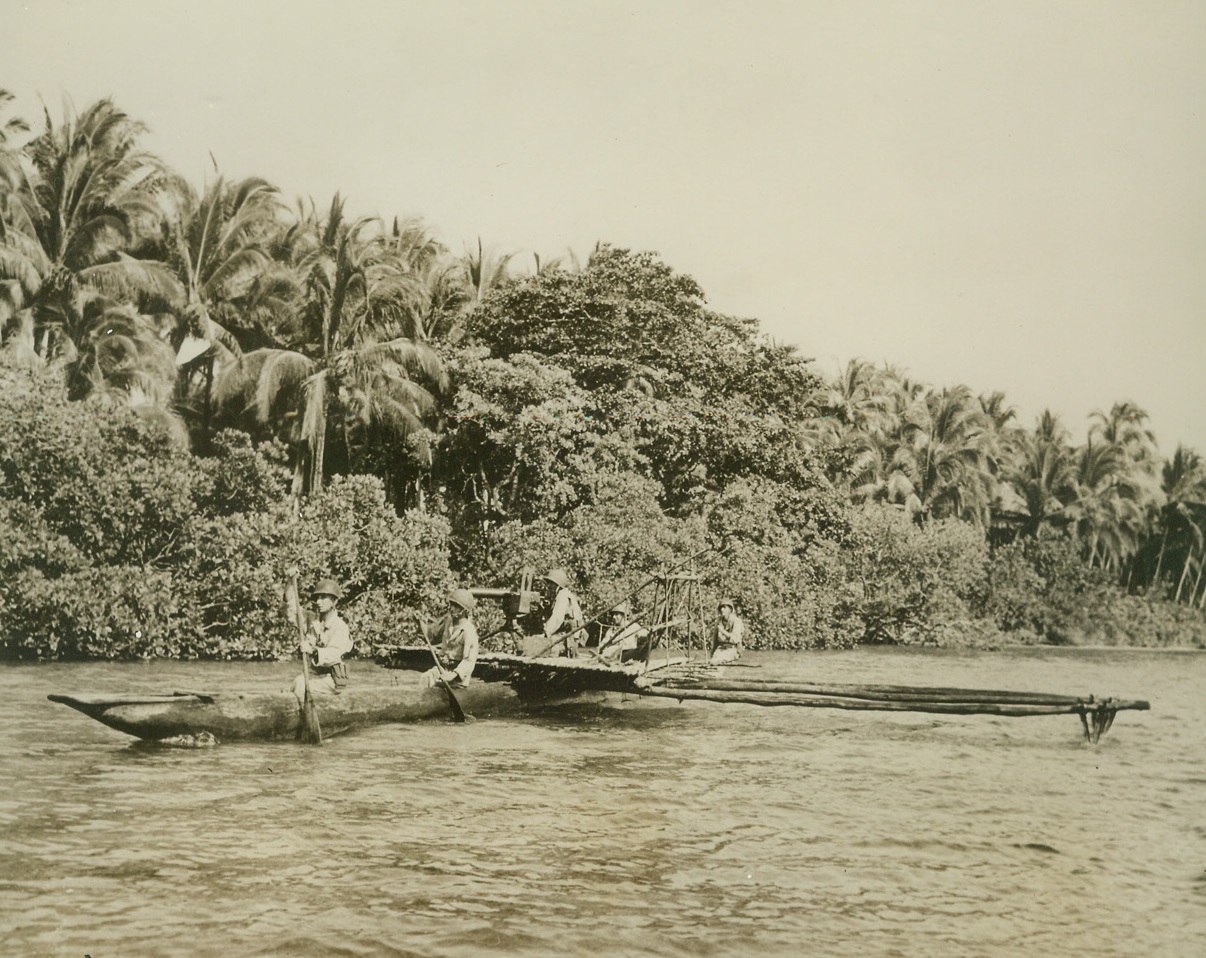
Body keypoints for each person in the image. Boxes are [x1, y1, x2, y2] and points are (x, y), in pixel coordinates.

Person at [291, 578, 353, 703]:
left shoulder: (340, 626)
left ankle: (305, 720)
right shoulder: (312, 620)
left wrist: (313, 650)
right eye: (317, 598)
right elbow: (291, 608)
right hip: (314, 676)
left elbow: (334, 655)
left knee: (300, 684)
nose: (318, 602)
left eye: (323, 598)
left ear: (334, 601)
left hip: (331, 680)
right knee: (297, 683)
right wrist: (289, 581)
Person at [419, 588, 480, 689]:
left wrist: (453, 675)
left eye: (456, 606)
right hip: (442, 668)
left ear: (464, 610)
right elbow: (432, 635)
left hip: (457, 677)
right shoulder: (448, 621)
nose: (451, 608)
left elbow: (469, 661)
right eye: (451, 604)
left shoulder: (469, 632)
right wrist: (420, 623)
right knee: (425, 679)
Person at [540, 568, 584, 655]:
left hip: (568, 638)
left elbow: (557, 618)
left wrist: (546, 633)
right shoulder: (563, 595)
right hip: (566, 636)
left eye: (551, 584)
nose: (548, 587)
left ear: (558, 585)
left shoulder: (562, 596)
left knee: (545, 648)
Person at [711, 598, 744, 664]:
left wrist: (723, 631)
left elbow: (735, 639)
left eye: (724, 607)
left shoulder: (736, 621)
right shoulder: (718, 621)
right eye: (721, 608)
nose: (722, 609)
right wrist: (712, 653)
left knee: (718, 660)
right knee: (713, 661)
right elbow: (715, 640)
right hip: (720, 649)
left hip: (733, 649)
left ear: (730, 609)